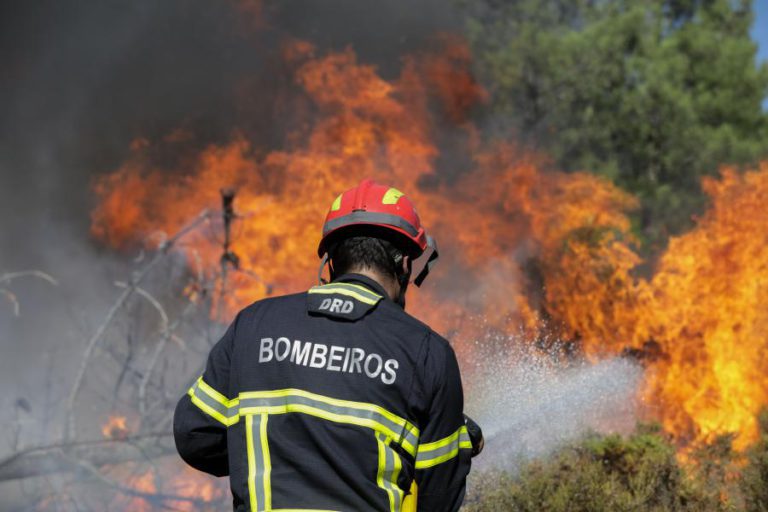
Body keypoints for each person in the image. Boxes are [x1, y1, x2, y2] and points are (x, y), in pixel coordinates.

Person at [173, 178, 482, 512]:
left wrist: (283, 449)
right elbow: (440, 498)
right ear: (404, 264)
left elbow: (196, 436)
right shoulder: (427, 353)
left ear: (331, 261)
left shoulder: (254, 323)